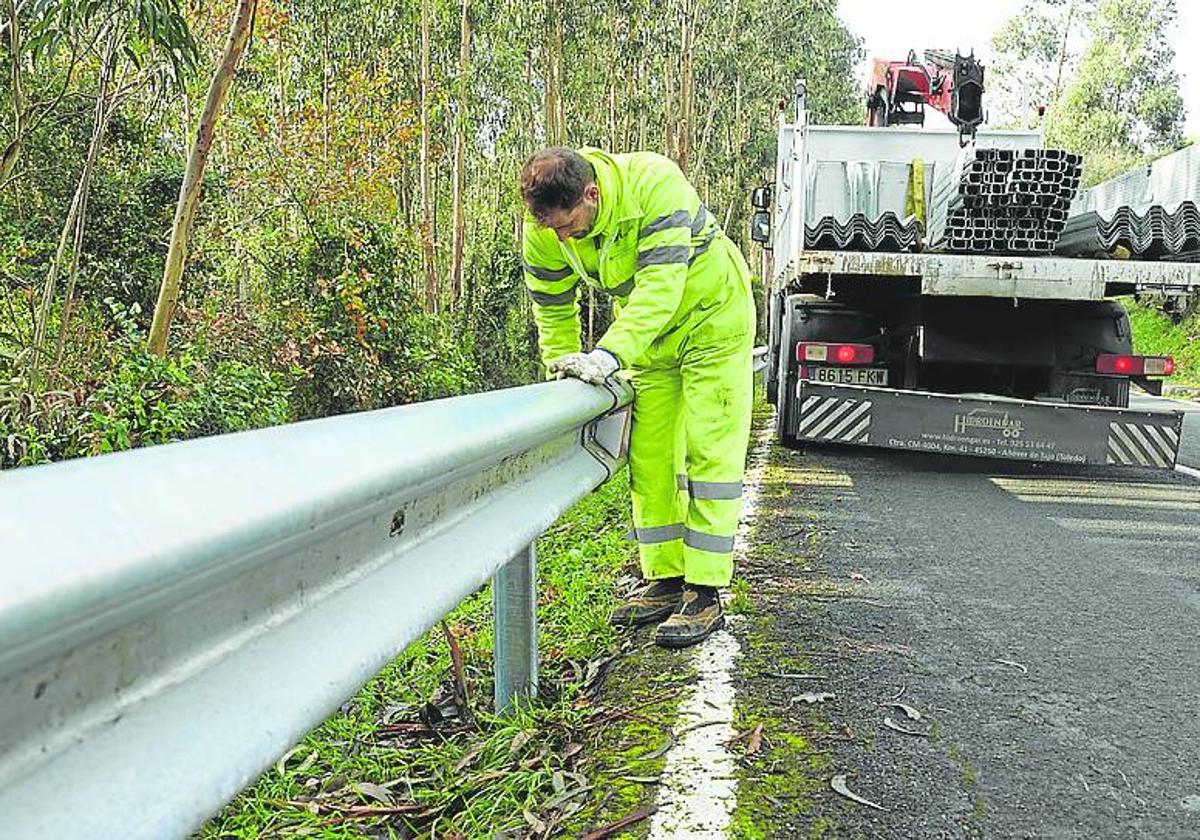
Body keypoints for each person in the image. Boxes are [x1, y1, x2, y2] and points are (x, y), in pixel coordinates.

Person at [517, 146, 755, 649]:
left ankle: (706, 590)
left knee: (709, 450)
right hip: (651, 339)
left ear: (592, 193)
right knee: (648, 456)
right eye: (550, 228)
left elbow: (660, 290)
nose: (561, 237)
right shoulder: (545, 232)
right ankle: (666, 581)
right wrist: (562, 371)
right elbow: (554, 308)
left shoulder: (654, 186)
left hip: (712, 316)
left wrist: (607, 355)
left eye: (568, 225)